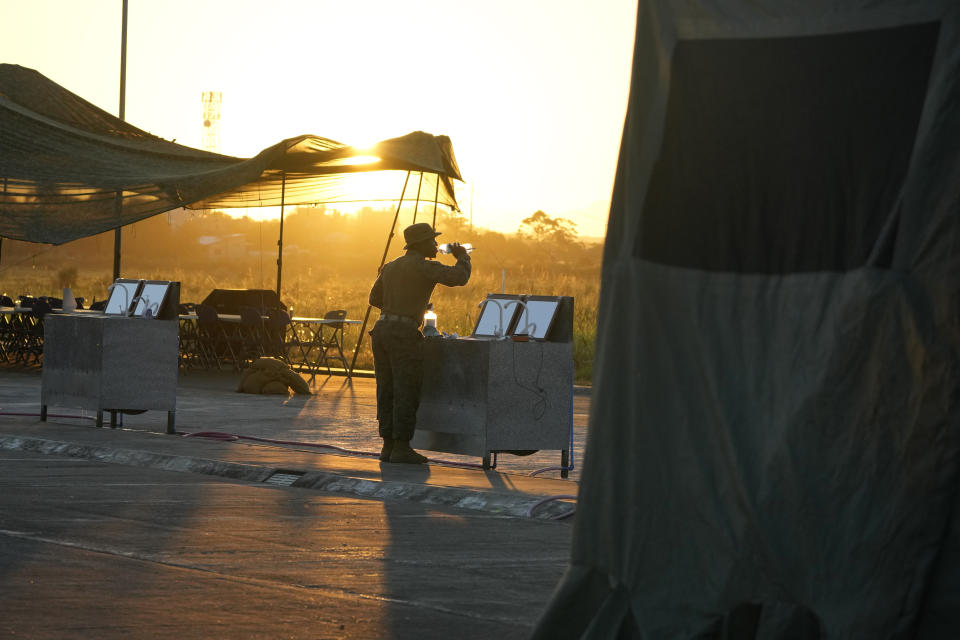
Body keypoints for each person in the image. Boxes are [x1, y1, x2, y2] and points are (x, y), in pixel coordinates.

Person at [368, 222, 471, 463]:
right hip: (403, 334)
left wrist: (402, 304)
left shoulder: (391, 267)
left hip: (382, 330)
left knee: (387, 390)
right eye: (432, 241)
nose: (436, 245)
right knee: (406, 390)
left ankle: (388, 446)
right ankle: (402, 448)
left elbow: (375, 298)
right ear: (421, 244)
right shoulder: (425, 267)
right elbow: (459, 278)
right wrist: (463, 257)